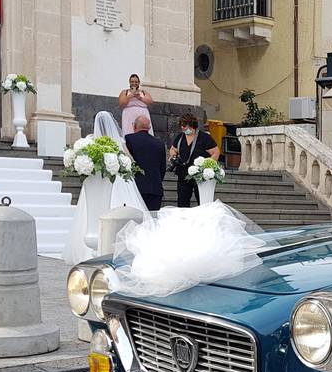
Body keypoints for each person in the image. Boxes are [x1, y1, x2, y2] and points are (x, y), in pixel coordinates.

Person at [62, 112, 148, 264]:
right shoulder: (119, 142)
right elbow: (130, 161)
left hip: (96, 182)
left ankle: (91, 248)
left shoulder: (89, 142)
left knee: (91, 211)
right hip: (119, 180)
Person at [169, 114, 220, 207]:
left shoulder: (204, 137)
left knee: (202, 201)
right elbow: (173, 149)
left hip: (199, 176)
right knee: (182, 201)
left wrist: (206, 168)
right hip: (183, 174)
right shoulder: (180, 137)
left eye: (184, 125)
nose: (182, 128)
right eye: (181, 125)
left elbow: (216, 152)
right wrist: (173, 156)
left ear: (191, 125)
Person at [125, 116, 166, 211]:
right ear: (149, 128)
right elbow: (162, 168)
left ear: (134, 126)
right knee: (152, 222)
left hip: (137, 188)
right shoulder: (159, 143)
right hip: (155, 189)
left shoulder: (129, 139)